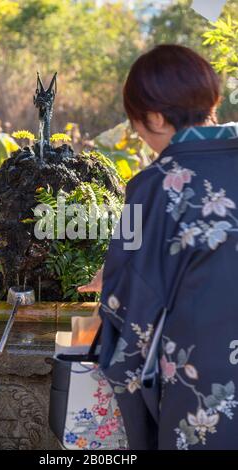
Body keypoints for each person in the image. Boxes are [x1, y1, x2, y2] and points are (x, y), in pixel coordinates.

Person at [78, 45, 238, 450]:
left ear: (154, 117)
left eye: (137, 125)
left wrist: (111, 276)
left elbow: (128, 301)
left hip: (206, 400)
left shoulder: (150, 186)